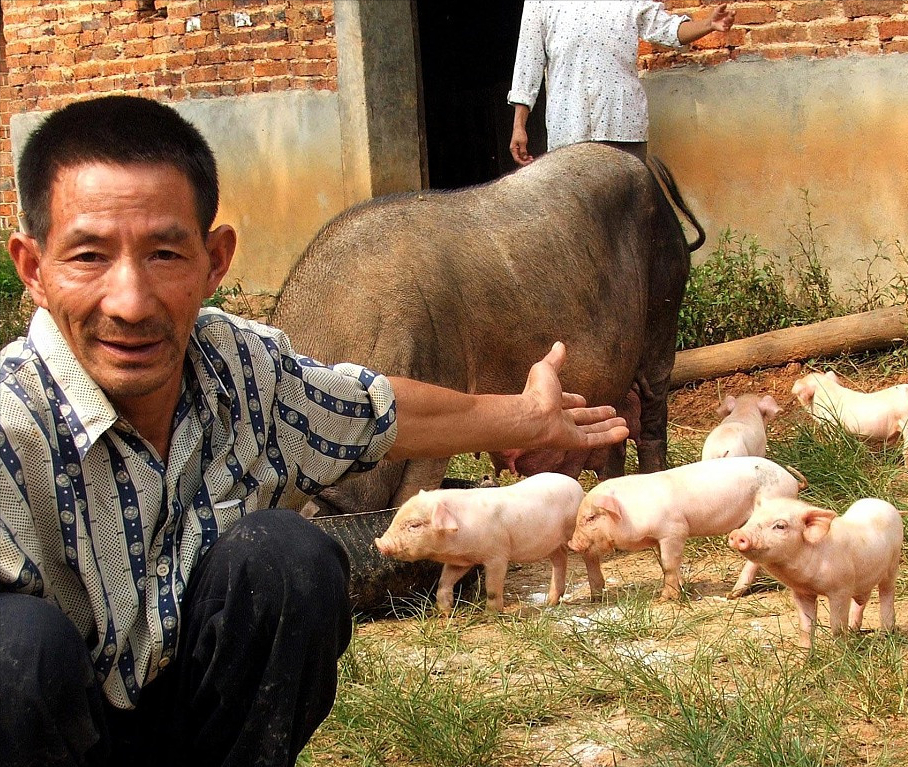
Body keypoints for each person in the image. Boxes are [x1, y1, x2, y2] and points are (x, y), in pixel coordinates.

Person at [0, 95, 628, 767]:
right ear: (33, 269)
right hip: (50, 738)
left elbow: (377, 411)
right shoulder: (11, 423)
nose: (129, 302)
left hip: (194, 729)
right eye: (89, 256)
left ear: (215, 261)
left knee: (287, 558)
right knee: (17, 648)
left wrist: (525, 415)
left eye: (163, 254)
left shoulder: (239, 366)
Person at [508, 0, 735, 166]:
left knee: (628, 218)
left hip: (623, 128)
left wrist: (708, 24)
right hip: (569, 131)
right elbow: (528, 63)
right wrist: (519, 125)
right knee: (578, 220)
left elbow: (669, 30)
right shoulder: (540, 3)